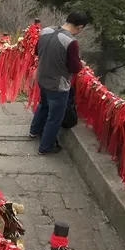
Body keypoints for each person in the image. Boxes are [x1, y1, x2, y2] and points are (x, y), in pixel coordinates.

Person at [29, 10, 89, 155]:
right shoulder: (71, 42)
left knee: (43, 105)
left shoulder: (46, 31)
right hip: (58, 84)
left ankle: (34, 131)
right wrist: (81, 63)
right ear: (80, 27)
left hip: (42, 77)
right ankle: (45, 147)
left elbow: (37, 51)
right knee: (55, 117)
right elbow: (74, 68)